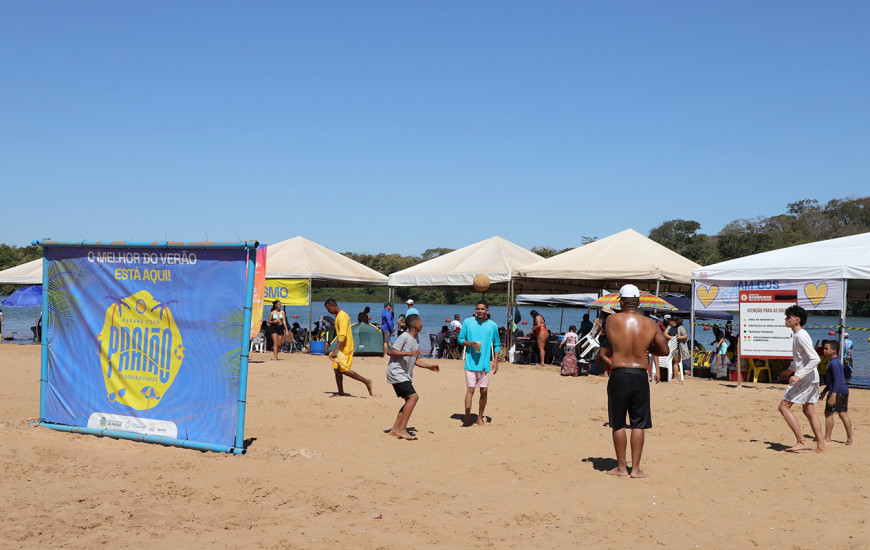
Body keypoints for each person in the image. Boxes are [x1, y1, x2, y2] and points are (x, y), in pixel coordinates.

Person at [599, 284, 669, 478]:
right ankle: (636, 469)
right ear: (639, 302)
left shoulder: (611, 320)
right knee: (639, 423)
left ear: (621, 301)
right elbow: (665, 350)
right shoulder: (650, 324)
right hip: (639, 375)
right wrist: (650, 351)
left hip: (619, 373)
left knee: (618, 423)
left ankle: (621, 468)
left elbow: (605, 342)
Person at [778, 305, 825, 453]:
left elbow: (815, 359)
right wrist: (790, 370)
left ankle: (801, 441)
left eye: (789, 317)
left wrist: (798, 375)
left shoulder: (800, 335)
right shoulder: (799, 335)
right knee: (809, 410)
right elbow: (801, 359)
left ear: (797, 320)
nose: (786, 319)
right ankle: (821, 446)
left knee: (783, 407)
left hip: (805, 379)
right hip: (812, 379)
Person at [386, 313, 440, 440]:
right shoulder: (404, 336)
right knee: (414, 397)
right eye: (420, 321)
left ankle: (395, 430)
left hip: (404, 374)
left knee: (408, 400)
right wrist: (409, 353)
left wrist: (429, 367)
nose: (422, 323)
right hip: (396, 372)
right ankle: (402, 429)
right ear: (415, 324)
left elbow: (415, 360)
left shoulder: (416, 340)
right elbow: (392, 351)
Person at [458, 300, 501, 427]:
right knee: (470, 390)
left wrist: (496, 362)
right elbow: (460, 339)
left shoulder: (493, 325)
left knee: (484, 391)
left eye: (482, 309)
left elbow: (497, 345)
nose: (479, 311)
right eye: (478, 309)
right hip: (470, 363)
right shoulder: (467, 322)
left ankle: (480, 417)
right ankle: (467, 418)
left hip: (484, 364)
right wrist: (470, 344)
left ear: (487, 310)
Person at [325, 298, 373, 397]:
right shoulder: (338, 316)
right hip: (341, 347)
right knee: (336, 369)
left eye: (328, 309)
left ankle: (366, 381)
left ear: (333, 306)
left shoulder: (342, 316)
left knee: (345, 370)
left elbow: (342, 335)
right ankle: (341, 392)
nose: (328, 311)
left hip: (345, 347)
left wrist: (336, 349)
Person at [821, 340, 852, 445]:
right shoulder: (836, 361)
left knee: (829, 414)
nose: (824, 351)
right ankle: (849, 438)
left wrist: (833, 395)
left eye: (826, 349)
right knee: (843, 413)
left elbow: (837, 380)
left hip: (837, 391)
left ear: (834, 350)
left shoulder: (834, 363)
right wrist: (824, 391)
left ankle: (827, 438)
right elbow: (832, 380)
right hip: (842, 390)